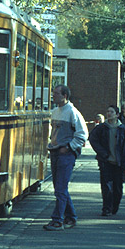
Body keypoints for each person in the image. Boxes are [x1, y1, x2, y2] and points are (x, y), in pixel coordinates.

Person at [43, 85, 88, 231]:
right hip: (55, 152)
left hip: (66, 154)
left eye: (56, 94)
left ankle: (57, 220)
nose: (53, 96)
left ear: (64, 96)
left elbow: (82, 135)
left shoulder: (73, 112)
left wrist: (69, 147)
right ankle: (71, 217)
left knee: (60, 188)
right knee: (59, 187)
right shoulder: (55, 111)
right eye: (53, 93)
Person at [88, 105, 125, 216]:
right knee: (106, 187)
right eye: (107, 111)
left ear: (117, 114)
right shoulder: (102, 127)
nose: (108, 113)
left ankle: (115, 205)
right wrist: (102, 153)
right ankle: (106, 208)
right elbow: (92, 139)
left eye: (111, 112)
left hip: (118, 163)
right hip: (106, 161)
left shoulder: (122, 129)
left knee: (117, 188)